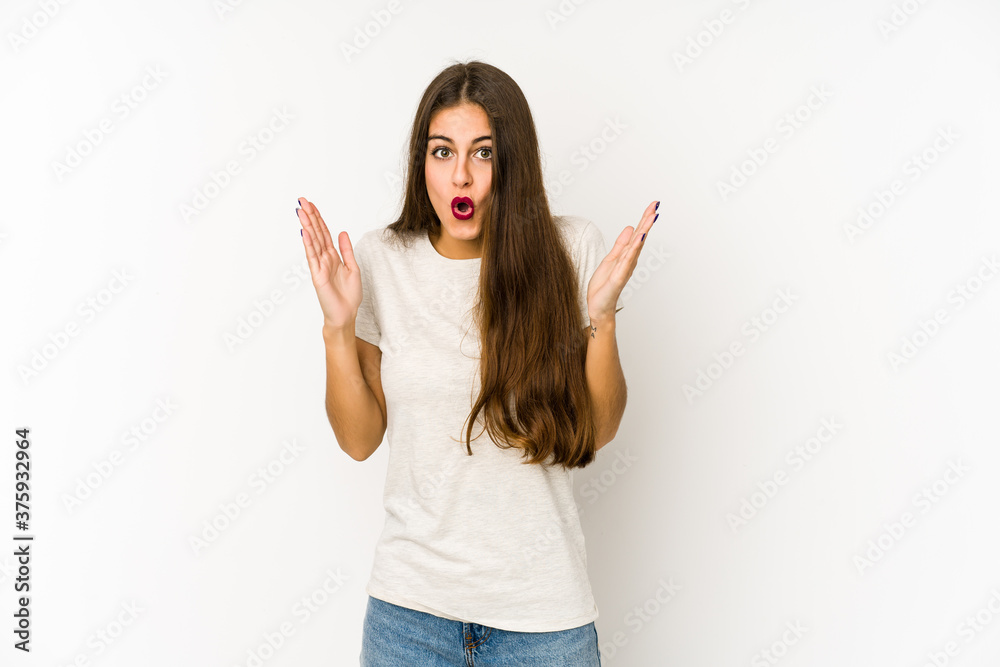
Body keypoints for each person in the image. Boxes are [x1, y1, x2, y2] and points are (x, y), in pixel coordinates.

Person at [295, 59, 658, 666]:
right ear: (422, 162)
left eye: (483, 153)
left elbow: (597, 429)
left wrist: (603, 318)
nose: (460, 175)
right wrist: (337, 328)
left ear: (514, 162)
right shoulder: (381, 260)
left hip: (543, 625)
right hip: (409, 621)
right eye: (442, 152)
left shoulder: (570, 249)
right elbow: (359, 440)